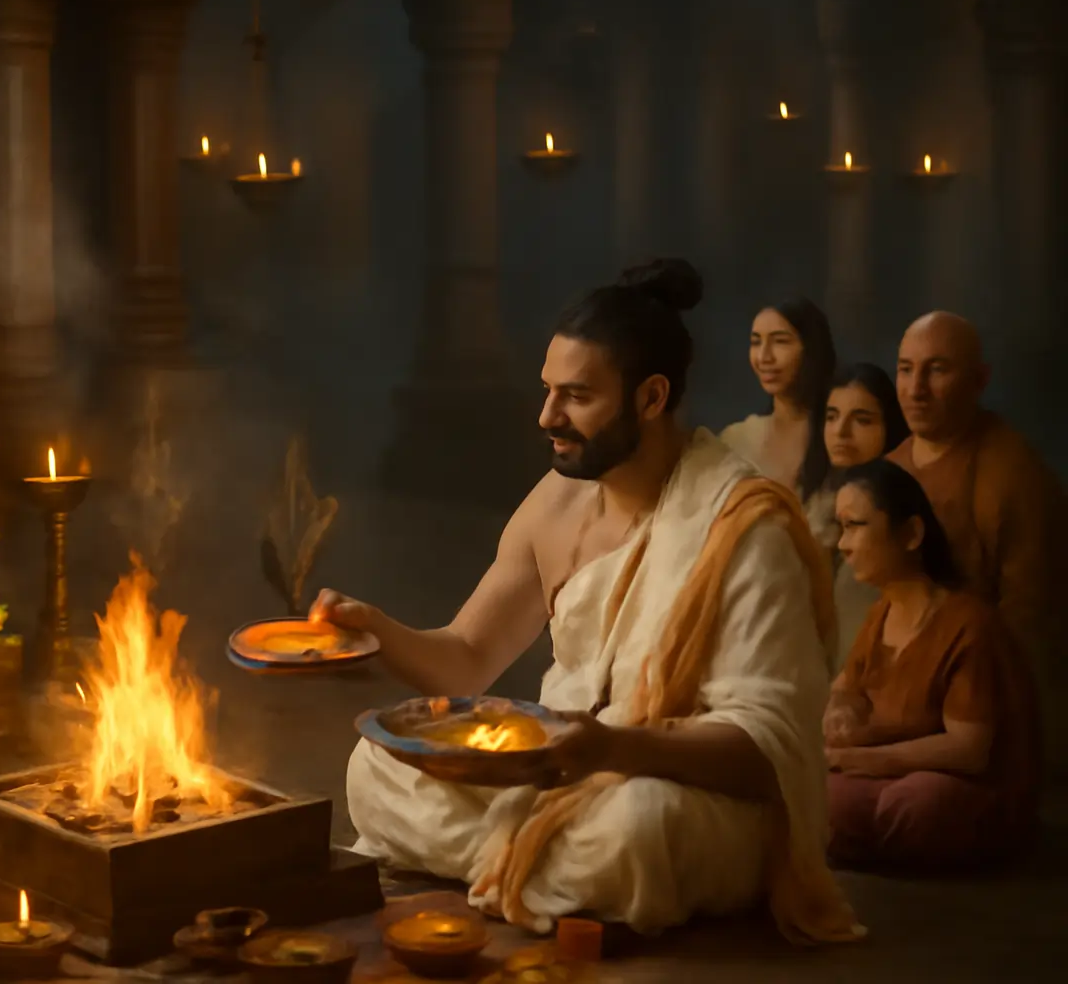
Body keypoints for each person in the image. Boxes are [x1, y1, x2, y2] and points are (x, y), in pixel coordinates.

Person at [315, 260, 860, 943]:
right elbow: (466, 657)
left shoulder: (742, 528)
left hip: (677, 796)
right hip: (558, 779)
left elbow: (768, 751)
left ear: (651, 397)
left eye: (576, 396)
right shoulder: (557, 500)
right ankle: (531, 867)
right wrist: (371, 630)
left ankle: (514, 862)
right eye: (548, 390)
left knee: (640, 828)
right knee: (375, 767)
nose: (547, 416)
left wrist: (615, 748)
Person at [824, 460, 1040, 871]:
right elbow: (845, 688)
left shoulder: (968, 624)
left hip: (958, 782)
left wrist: (862, 760)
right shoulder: (881, 613)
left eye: (855, 526)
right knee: (819, 798)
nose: (843, 545)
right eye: (841, 528)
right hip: (889, 776)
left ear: (911, 534)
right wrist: (840, 710)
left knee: (916, 806)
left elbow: (968, 750)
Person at [886, 312, 1064, 758]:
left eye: (937, 370)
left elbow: (1030, 629)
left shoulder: (1014, 476)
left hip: (982, 712)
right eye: (906, 369)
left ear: (979, 380)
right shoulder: (889, 470)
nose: (916, 389)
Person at [720, 298, 838, 545]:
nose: (764, 356)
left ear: (811, 349)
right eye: (756, 342)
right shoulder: (736, 440)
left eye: (780, 342)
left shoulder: (838, 435)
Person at [824, 364, 910, 666]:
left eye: (862, 420)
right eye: (832, 417)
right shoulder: (817, 503)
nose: (841, 432)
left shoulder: (894, 521)